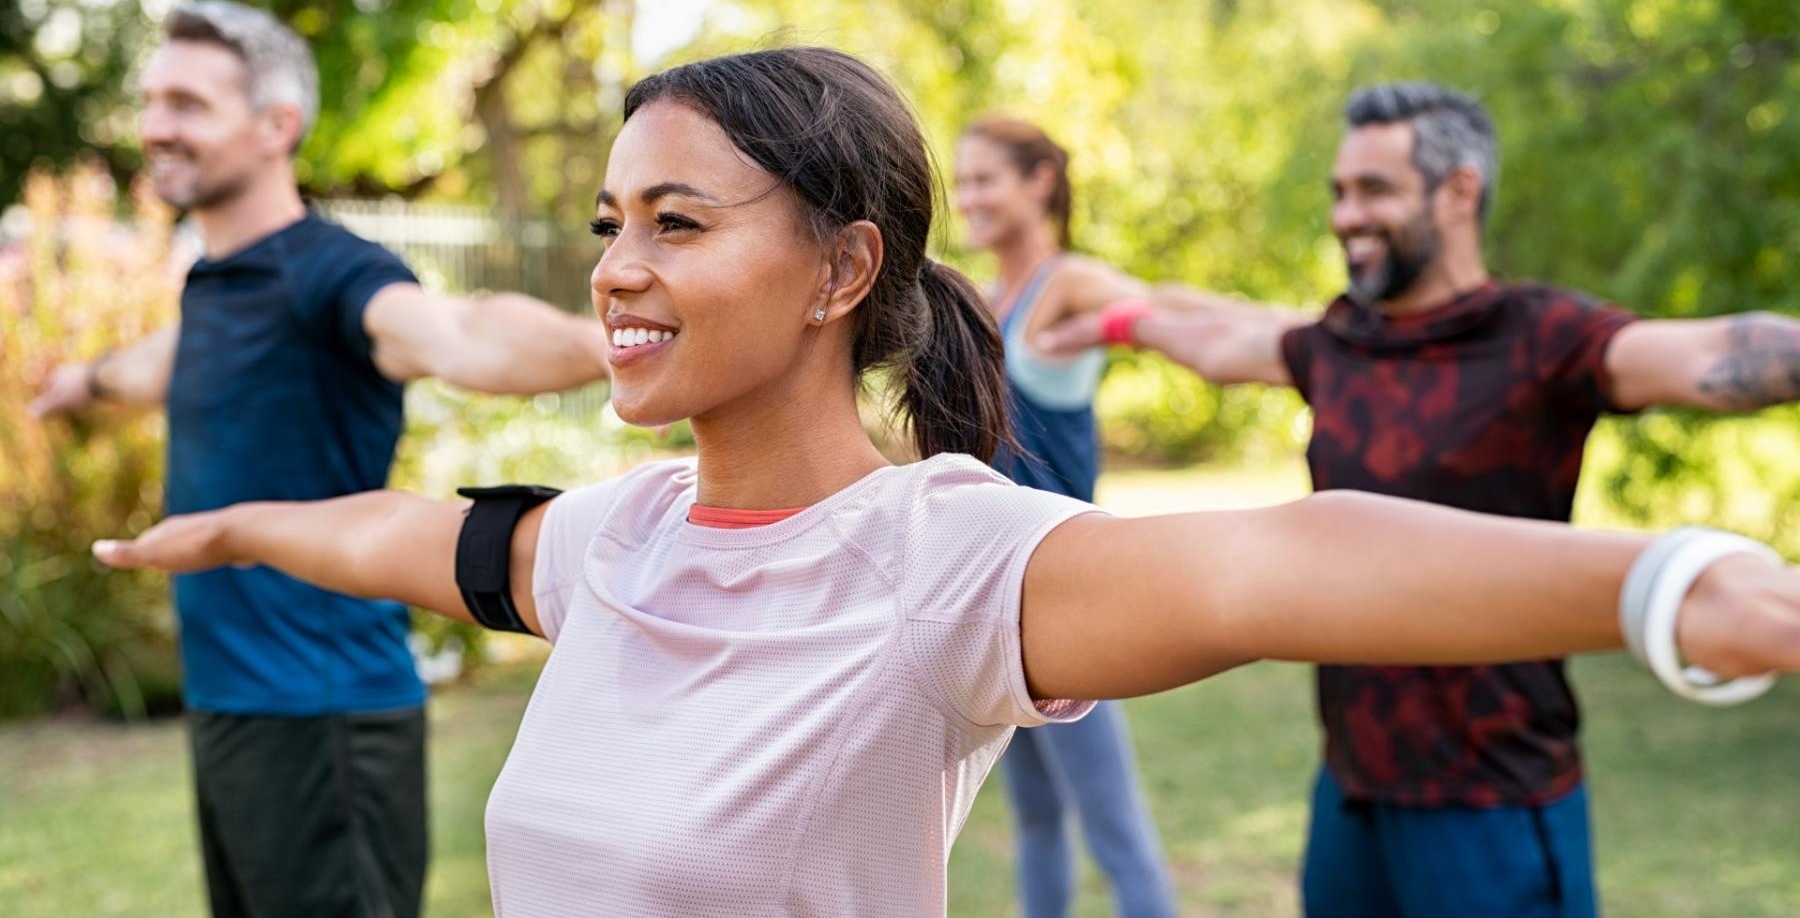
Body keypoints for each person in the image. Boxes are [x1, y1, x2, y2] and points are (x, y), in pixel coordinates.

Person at [91, 50, 1800, 918]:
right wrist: (242, 526)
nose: (617, 266)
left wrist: (1669, 585)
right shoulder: (619, 536)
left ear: (842, 270)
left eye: (677, 223)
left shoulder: (942, 561)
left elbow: (1286, 560)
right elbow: (426, 542)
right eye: (613, 221)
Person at [1037, 81, 1800, 917]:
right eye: (1339, 191)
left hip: (1492, 800)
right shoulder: (1337, 343)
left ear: (1460, 190)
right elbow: (1218, 338)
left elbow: (1712, 353)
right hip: (1353, 792)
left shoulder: (1541, 338)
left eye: (1374, 190)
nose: (1344, 215)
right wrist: (1109, 322)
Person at [31, 0, 611, 918]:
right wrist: (82, 382)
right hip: (233, 711)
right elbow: (163, 361)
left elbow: (457, 333)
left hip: (325, 718)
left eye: (186, 103)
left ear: (277, 127)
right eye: (150, 101)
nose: (153, 127)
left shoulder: (331, 275)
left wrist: (622, 345)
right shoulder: (221, 286)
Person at [954, 118, 1176, 917]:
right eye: (963, 180)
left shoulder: (1069, 282)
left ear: (1040, 179)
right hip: (993, 596)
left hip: (1069, 588)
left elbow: (1163, 313)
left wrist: (1110, 327)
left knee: (1112, 827)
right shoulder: (980, 301)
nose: (968, 197)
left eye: (985, 179)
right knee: (1038, 820)